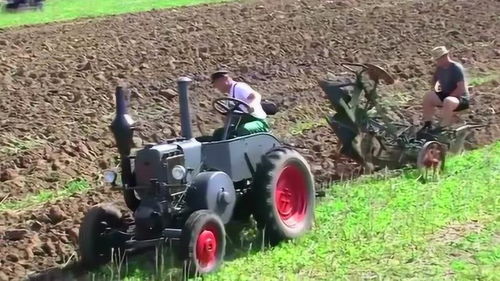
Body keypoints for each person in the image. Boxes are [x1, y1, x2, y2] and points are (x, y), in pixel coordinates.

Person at [210, 70, 270, 140]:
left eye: (217, 84)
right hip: (242, 122)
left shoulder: (239, 87)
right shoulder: (230, 96)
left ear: (224, 79)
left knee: (243, 130)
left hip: (257, 121)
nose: (217, 87)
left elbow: (255, 95)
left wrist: (251, 106)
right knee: (219, 133)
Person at [421, 46, 470, 131]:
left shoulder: (456, 68)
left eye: (438, 59)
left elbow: (461, 88)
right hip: (446, 96)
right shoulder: (439, 69)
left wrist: (447, 98)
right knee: (428, 96)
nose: (436, 62)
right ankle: (427, 124)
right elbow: (434, 82)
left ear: (444, 57)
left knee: (448, 101)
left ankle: (443, 127)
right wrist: (437, 90)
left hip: (460, 99)